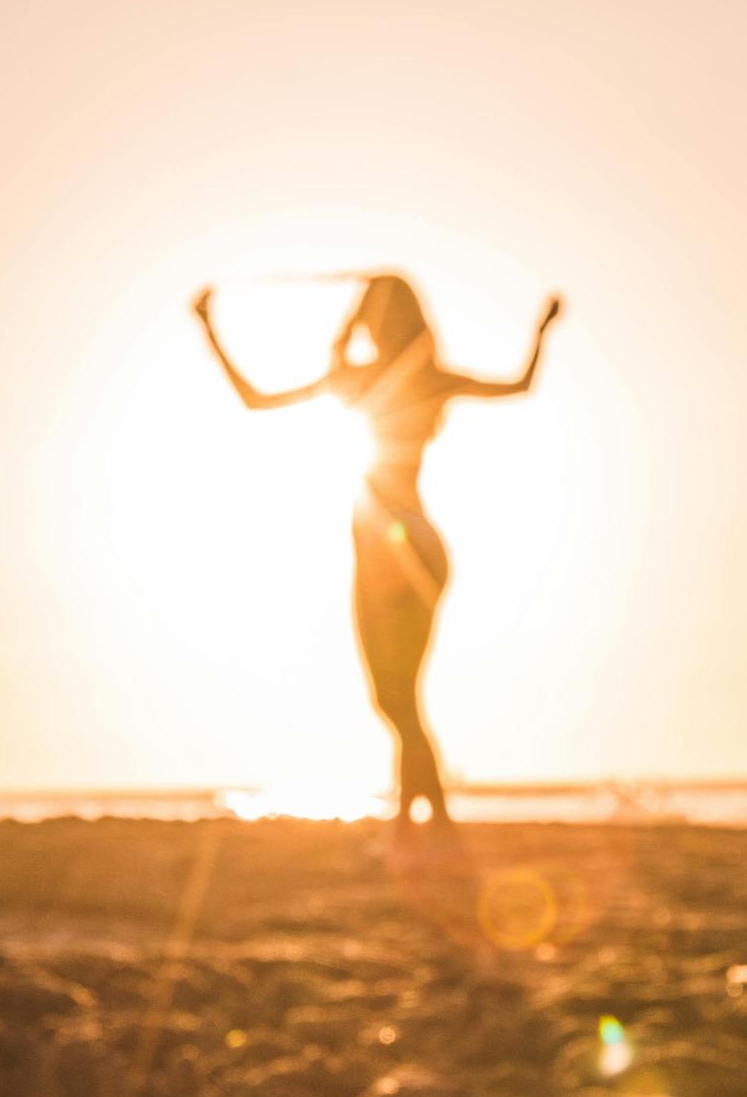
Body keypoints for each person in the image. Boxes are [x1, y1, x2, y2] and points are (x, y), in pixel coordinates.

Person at [192, 273, 561, 830]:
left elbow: (255, 400)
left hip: (388, 546)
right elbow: (520, 385)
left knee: (394, 697)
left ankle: (429, 818)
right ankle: (416, 817)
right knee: (398, 695)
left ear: (370, 322)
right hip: (419, 542)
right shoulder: (428, 376)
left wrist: (208, 327)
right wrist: (541, 331)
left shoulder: (358, 378)